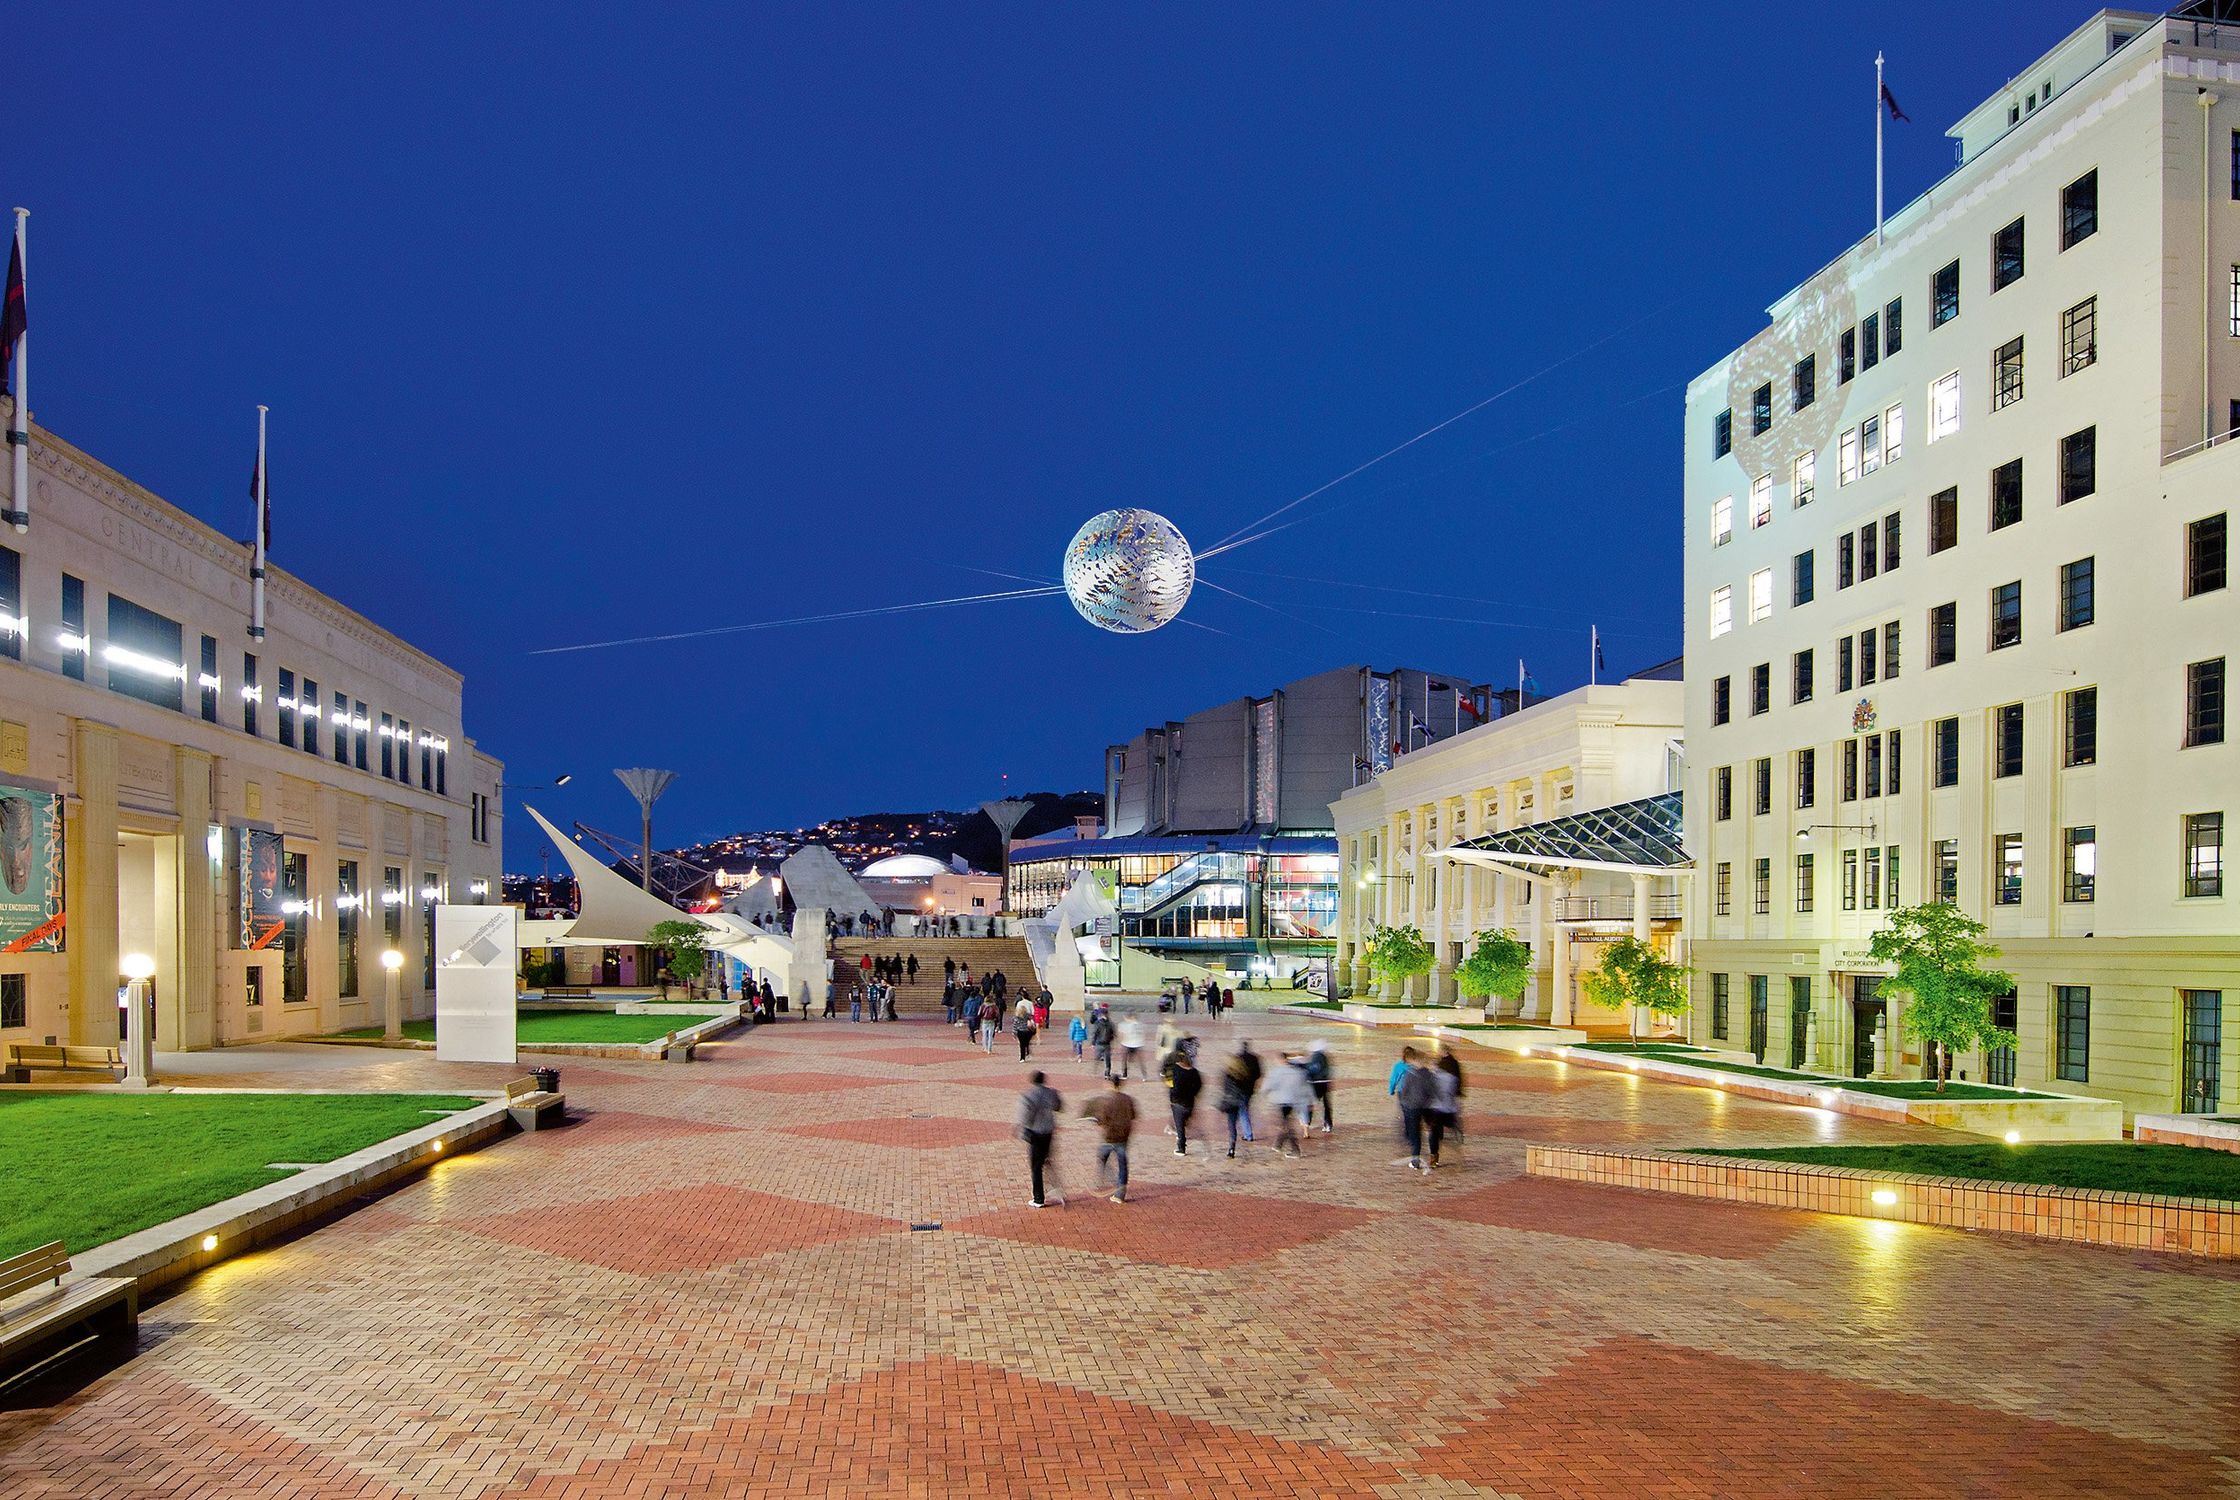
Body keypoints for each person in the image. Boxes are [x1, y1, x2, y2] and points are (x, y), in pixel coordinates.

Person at [1081, 1076, 1138, 1203]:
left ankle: (1107, 1180)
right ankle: (1120, 1193)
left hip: (1109, 1137)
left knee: (1102, 1157)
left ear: (1110, 1084)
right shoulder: (1128, 1099)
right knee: (1123, 1164)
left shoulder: (1106, 1101)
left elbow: (1100, 1120)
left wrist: (1095, 1121)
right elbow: (1133, 1116)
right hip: (1123, 1137)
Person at [1018, 1071, 1064, 1209]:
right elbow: (1058, 1107)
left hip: (1035, 1133)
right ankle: (1054, 1187)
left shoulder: (1028, 1095)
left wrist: (1022, 1129)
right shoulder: (1051, 1093)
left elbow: (1024, 1115)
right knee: (1046, 1160)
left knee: (1036, 1167)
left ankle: (1038, 1198)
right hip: (1048, 1132)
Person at [1395, 1047, 1438, 1172]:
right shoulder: (1429, 1075)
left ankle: (1415, 1160)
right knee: (1430, 1130)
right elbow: (1433, 1091)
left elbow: (1404, 1091)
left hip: (1412, 1107)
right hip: (1426, 1107)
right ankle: (1434, 1156)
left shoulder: (1410, 1074)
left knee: (1415, 1134)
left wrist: (1404, 1103)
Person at [1266, 1051, 1314, 1157]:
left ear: (1281, 1060)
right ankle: (1278, 1144)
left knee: (1287, 1125)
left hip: (1283, 1102)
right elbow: (1305, 1085)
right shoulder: (1295, 1071)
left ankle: (1295, 1150)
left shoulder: (1278, 1072)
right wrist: (1310, 1100)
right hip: (1293, 1101)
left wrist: (1265, 1092)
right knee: (1285, 1123)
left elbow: (1268, 1085)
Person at [1164, 1042, 1202, 1156]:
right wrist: (1194, 1094)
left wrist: (1172, 1096)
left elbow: (1173, 1085)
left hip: (1177, 1102)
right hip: (1190, 1101)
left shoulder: (1176, 1069)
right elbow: (1200, 1085)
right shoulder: (1194, 1072)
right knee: (1183, 1121)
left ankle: (1181, 1148)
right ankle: (1178, 1133)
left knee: (1180, 1126)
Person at [1218, 1044, 1254, 1157]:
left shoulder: (1226, 1074)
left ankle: (1232, 1147)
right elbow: (1247, 1086)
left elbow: (1224, 1088)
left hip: (1231, 1101)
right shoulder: (1243, 1073)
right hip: (1241, 1098)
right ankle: (1248, 1134)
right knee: (1244, 1115)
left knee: (1232, 1124)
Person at [1230, 1037, 1262, 1141]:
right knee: (1244, 1109)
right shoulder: (1255, 1058)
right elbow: (1259, 1074)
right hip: (1250, 1088)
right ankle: (1246, 1132)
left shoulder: (1237, 1058)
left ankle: (1248, 1134)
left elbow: (1233, 1075)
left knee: (1243, 1111)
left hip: (1240, 1090)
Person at [1304, 1038, 1335, 1134]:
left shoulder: (1316, 1056)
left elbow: (1313, 1068)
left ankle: (1307, 1123)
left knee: (1310, 1103)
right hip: (1325, 1082)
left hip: (1316, 1083)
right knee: (1326, 1104)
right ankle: (1328, 1123)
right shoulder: (1325, 1056)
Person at [1116, 1015, 1148, 1079]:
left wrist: (1119, 1041)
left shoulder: (1123, 1025)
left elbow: (1120, 1035)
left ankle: (1125, 1074)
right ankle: (1144, 1075)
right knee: (1140, 1061)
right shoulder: (1141, 1024)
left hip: (1127, 1044)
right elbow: (1143, 1034)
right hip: (1138, 1044)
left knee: (1124, 1060)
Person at [1089, 1007, 1115, 1077]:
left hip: (1100, 1043)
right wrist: (1111, 1039)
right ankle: (1107, 1073)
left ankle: (1096, 1071)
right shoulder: (1110, 1023)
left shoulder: (1098, 1023)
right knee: (1107, 1059)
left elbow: (1095, 1033)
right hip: (1106, 1043)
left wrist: (1093, 1043)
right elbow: (1113, 1033)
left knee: (1098, 1058)